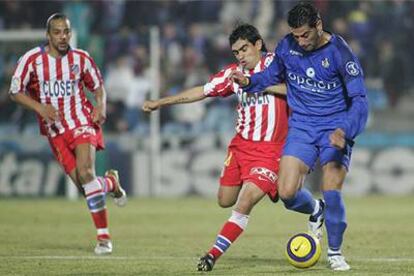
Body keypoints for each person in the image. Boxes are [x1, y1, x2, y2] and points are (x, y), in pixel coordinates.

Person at [142, 24, 324, 272]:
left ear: (258, 44)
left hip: (271, 150)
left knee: (245, 201)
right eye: (236, 52)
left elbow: (302, 89)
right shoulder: (233, 74)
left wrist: (260, 84)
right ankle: (316, 207)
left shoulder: (279, 64)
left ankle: (212, 255)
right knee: (224, 200)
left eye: (244, 49)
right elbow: (202, 91)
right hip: (239, 147)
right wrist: (161, 102)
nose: (240, 55)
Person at [231, 3, 369, 271]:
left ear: (318, 25)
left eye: (305, 34)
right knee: (286, 193)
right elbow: (271, 76)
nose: (300, 41)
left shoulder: (340, 53)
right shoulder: (287, 46)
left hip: (335, 128)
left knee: (332, 189)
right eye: (296, 35)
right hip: (303, 127)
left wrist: (346, 130)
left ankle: (335, 252)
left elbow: (360, 100)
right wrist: (250, 82)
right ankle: (316, 210)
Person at [8, 13, 127, 255]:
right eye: (57, 32)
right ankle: (111, 183)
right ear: (48, 35)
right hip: (55, 131)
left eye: (66, 32)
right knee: (87, 187)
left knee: (86, 173)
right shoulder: (31, 60)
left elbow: (98, 86)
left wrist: (100, 106)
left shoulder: (81, 58)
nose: (63, 37)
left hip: (81, 121)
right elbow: (14, 91)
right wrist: (40, 107)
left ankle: (104, 239)